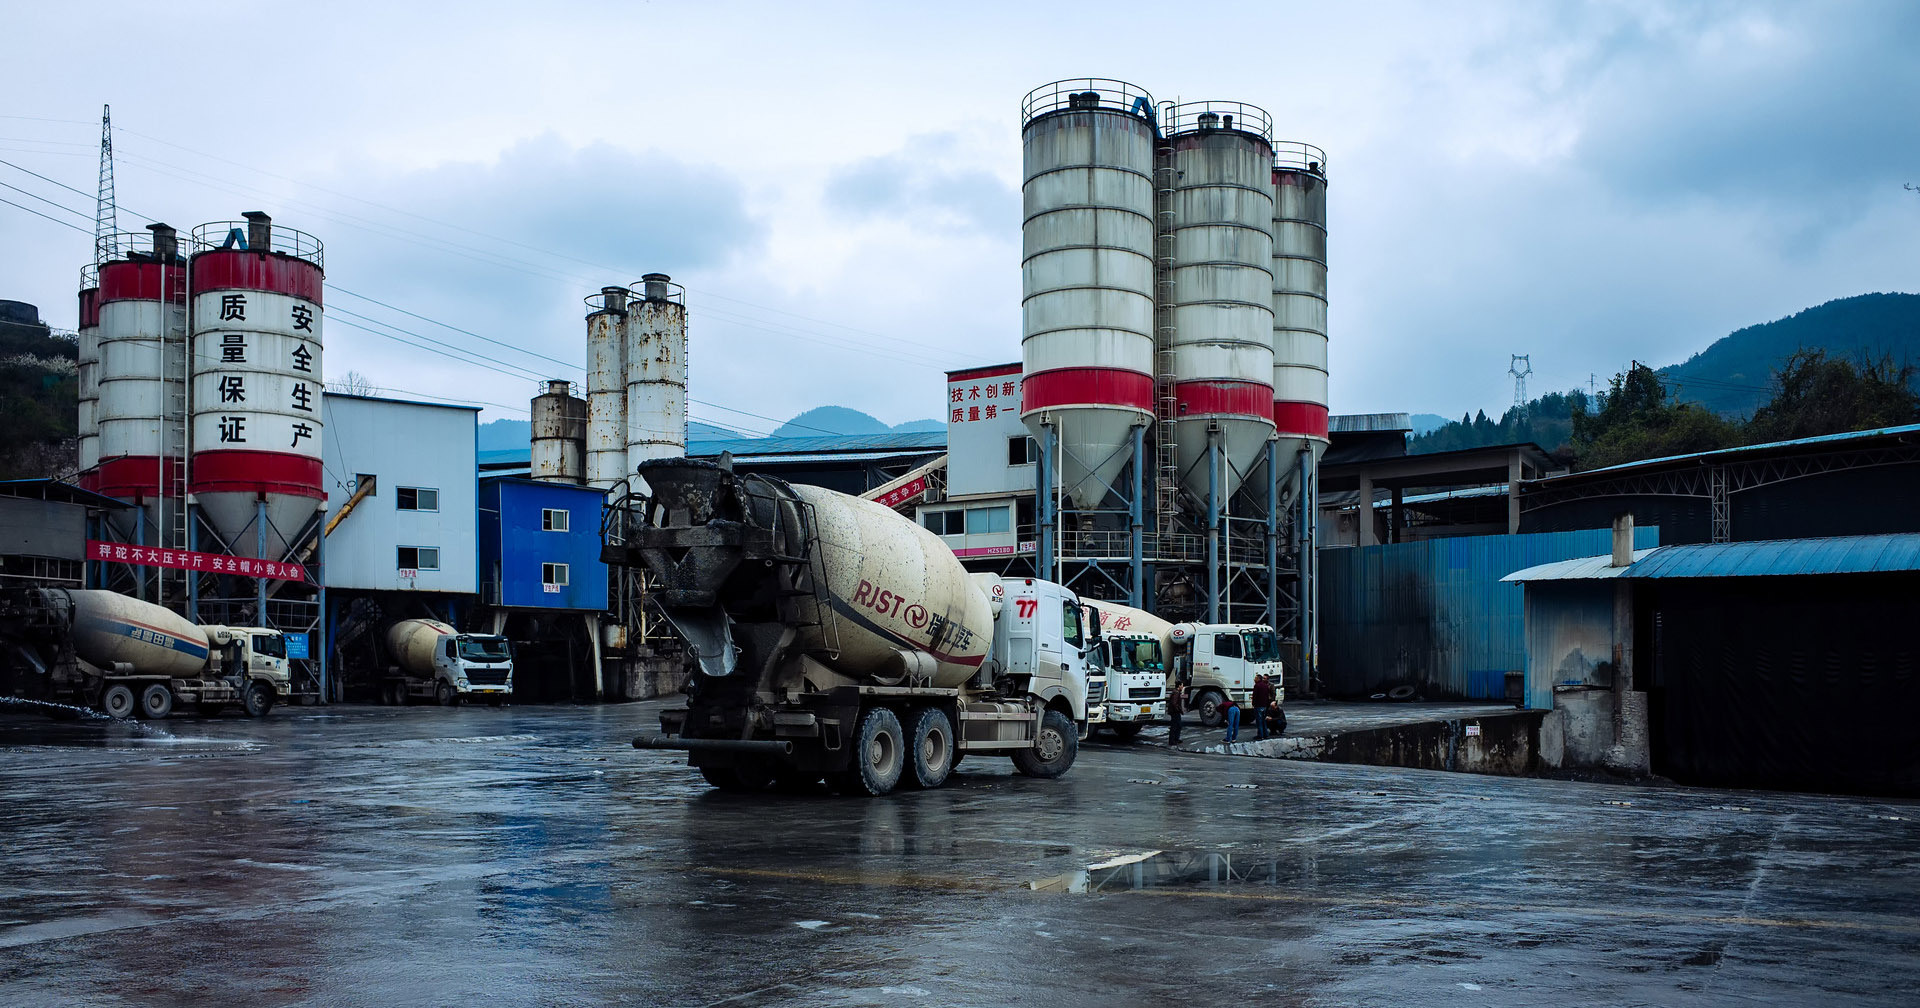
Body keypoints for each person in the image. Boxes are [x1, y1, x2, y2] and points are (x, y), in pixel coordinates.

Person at [1252, 674, 1275, 740]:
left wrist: (1253, 703)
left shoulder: (1257, 686)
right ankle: (1265, 734)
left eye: (1255, 678)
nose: (1254, 679)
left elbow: (1255, 696)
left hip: (1258, 705)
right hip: (1264, 705)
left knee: (1259, 721)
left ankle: (1260, 735)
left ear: (1258, 679)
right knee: (1263, 721)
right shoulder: (1265, 686)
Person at [1167, 681, 1186, 746]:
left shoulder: (1177, 692)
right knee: (1175, 726)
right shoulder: (1176, 693)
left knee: (1178, 726)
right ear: (1179, 686)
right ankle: (1172, 741)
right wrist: (1178, 709)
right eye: (1182, 685)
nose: (1182, 687)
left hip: (1175, 711)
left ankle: (1175, 739)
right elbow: (1174, 703)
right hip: (1175, 712)